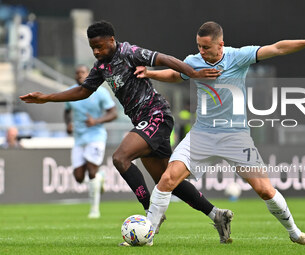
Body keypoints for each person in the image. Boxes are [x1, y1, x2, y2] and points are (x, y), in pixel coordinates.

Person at [20, 21, 233, 245]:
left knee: (120, 158)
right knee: (167, 181)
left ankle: (150, 219)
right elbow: (84, 90)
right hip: (143, 121)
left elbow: (165, 59)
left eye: (100, 46)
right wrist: (46, 97)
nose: (96, 51)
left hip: (156, 115)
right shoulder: (101, 66)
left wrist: (193, 73)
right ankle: (217, 215)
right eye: (93, 47)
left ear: (112, 40)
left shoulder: (129, 52)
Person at [137, 21, 305, 246]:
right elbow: (176, 75)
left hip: (235, 136)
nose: (201, 51)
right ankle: (147, 237)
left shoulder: (238, 57)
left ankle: (295, 233)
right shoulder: (193, 61)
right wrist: (150, 74)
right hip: (202, 134)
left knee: (265, 190)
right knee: (167, 179)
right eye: (199, 46)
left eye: (206, 47)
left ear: (221, 45)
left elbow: (277, 48)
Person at [64, 65, 118, 219]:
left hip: (96, 135)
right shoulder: (71, 92)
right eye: (77, 73)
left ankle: (94, 210)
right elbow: (67, 111)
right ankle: (100, 176)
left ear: (89, 75)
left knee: (91, 170)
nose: (79, 75)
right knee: (79, 177)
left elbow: (113, 113)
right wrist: (67, 124)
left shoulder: (100, 92)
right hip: (79, 138)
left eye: (83, 73)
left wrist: (97, 121)